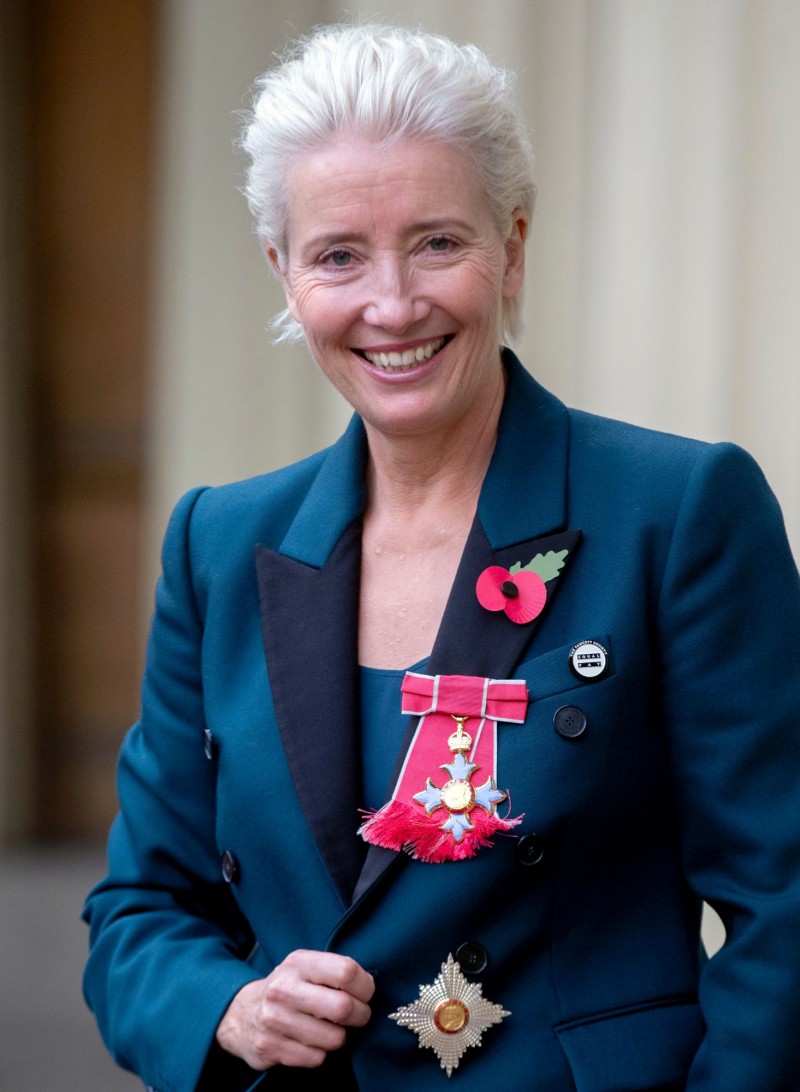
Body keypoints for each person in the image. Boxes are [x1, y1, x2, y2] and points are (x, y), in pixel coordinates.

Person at [83, 22, 800, 1092]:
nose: (392, 304)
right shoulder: (217, 544)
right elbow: (141, 909)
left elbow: (783, 904)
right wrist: (225, 1006)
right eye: (338, 256)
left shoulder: (679, 510)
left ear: (512, 246)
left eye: (436, 243)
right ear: (283, 273)